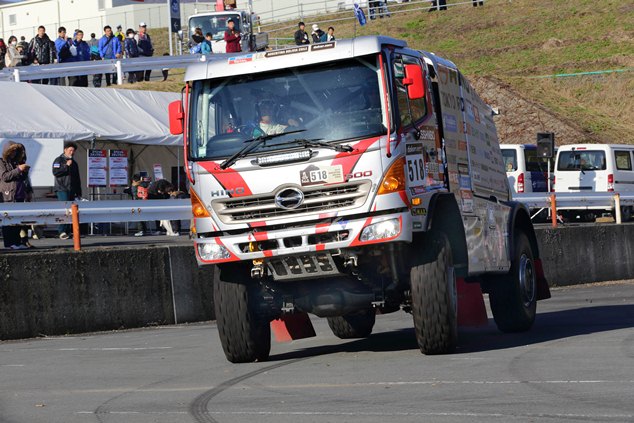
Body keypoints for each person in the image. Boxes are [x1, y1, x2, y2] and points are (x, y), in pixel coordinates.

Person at [1, 143, 32, 249]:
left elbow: (22, 178)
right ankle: (9, 244)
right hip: (8, 195)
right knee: (8, 220)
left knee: (17, 220)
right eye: (12, 150)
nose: (14, 153)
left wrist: (24, 171)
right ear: (7, 150)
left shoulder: (16, 162)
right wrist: (18, 169)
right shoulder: (1, 162)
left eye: (16, 151)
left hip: (19, 194)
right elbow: (5, 177)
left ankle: (17, 242)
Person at [52, 142, 81, 240]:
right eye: (70, 150)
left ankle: (68, 230)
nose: (72, 152)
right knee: (64, 210)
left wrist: (79, 191)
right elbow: (55, 172)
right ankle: (61, 231)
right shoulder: (58, 160)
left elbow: (77, 178)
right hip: (62, 188)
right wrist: (66, 166)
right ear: (65, 150)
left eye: (73, 151)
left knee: (71, 210)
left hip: (71, 189)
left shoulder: (75, 163)